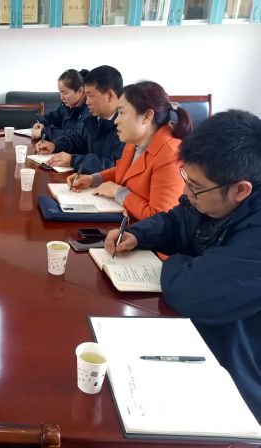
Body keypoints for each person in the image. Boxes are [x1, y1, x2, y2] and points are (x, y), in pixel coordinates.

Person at [103, 110, 261, 422]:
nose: (186, 192)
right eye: (186, 179)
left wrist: (179, 262)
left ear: (241, 190)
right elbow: (178, 220)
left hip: (235, 375)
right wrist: (138, 234)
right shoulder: (211, 193)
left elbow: (193, 290)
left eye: (195, 187)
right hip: (190, 335)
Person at [66, 81, 192, 221]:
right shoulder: (135, 141)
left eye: (122, 113)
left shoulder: (171, 155)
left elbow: (160, 219)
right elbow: (127, 172)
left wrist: (118, 192)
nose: (116, 121)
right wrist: (93, 179)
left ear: (147, 116)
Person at [37, 65, 125, 174]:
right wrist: (55, 145)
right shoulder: (95, 118)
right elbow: (78, 139)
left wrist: (74, 161)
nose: (87, 102)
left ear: (109, 95)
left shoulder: (127, 124)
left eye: (90, 96)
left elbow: (114, 165)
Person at [32, 69, 90, 140]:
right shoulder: (66, 106)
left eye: (65, 93)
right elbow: (51, 117)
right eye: (60, 93)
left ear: (80, 90)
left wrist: (44, 132)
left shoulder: (90, 108)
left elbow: (76, 136)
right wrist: (40, 124)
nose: (61, 98)